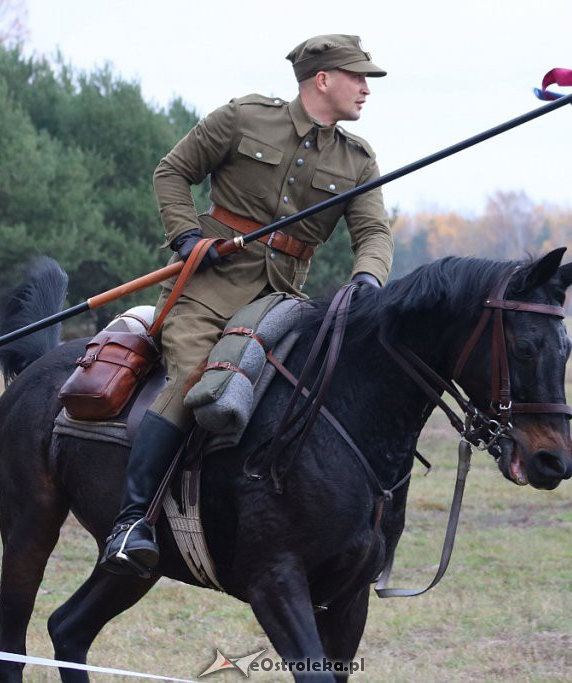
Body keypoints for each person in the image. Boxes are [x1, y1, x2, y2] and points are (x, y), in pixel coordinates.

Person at [102, 34, 394, 576]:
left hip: (282, 301)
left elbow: (373, 230)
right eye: (358, 77)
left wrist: (367, 281)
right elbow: (172, 172)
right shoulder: (243, 118)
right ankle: (131, 522)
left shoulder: (357, 157)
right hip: (205, 291)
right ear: (322, 79)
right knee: (194, 382)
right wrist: (187, 237)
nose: (366, 89)